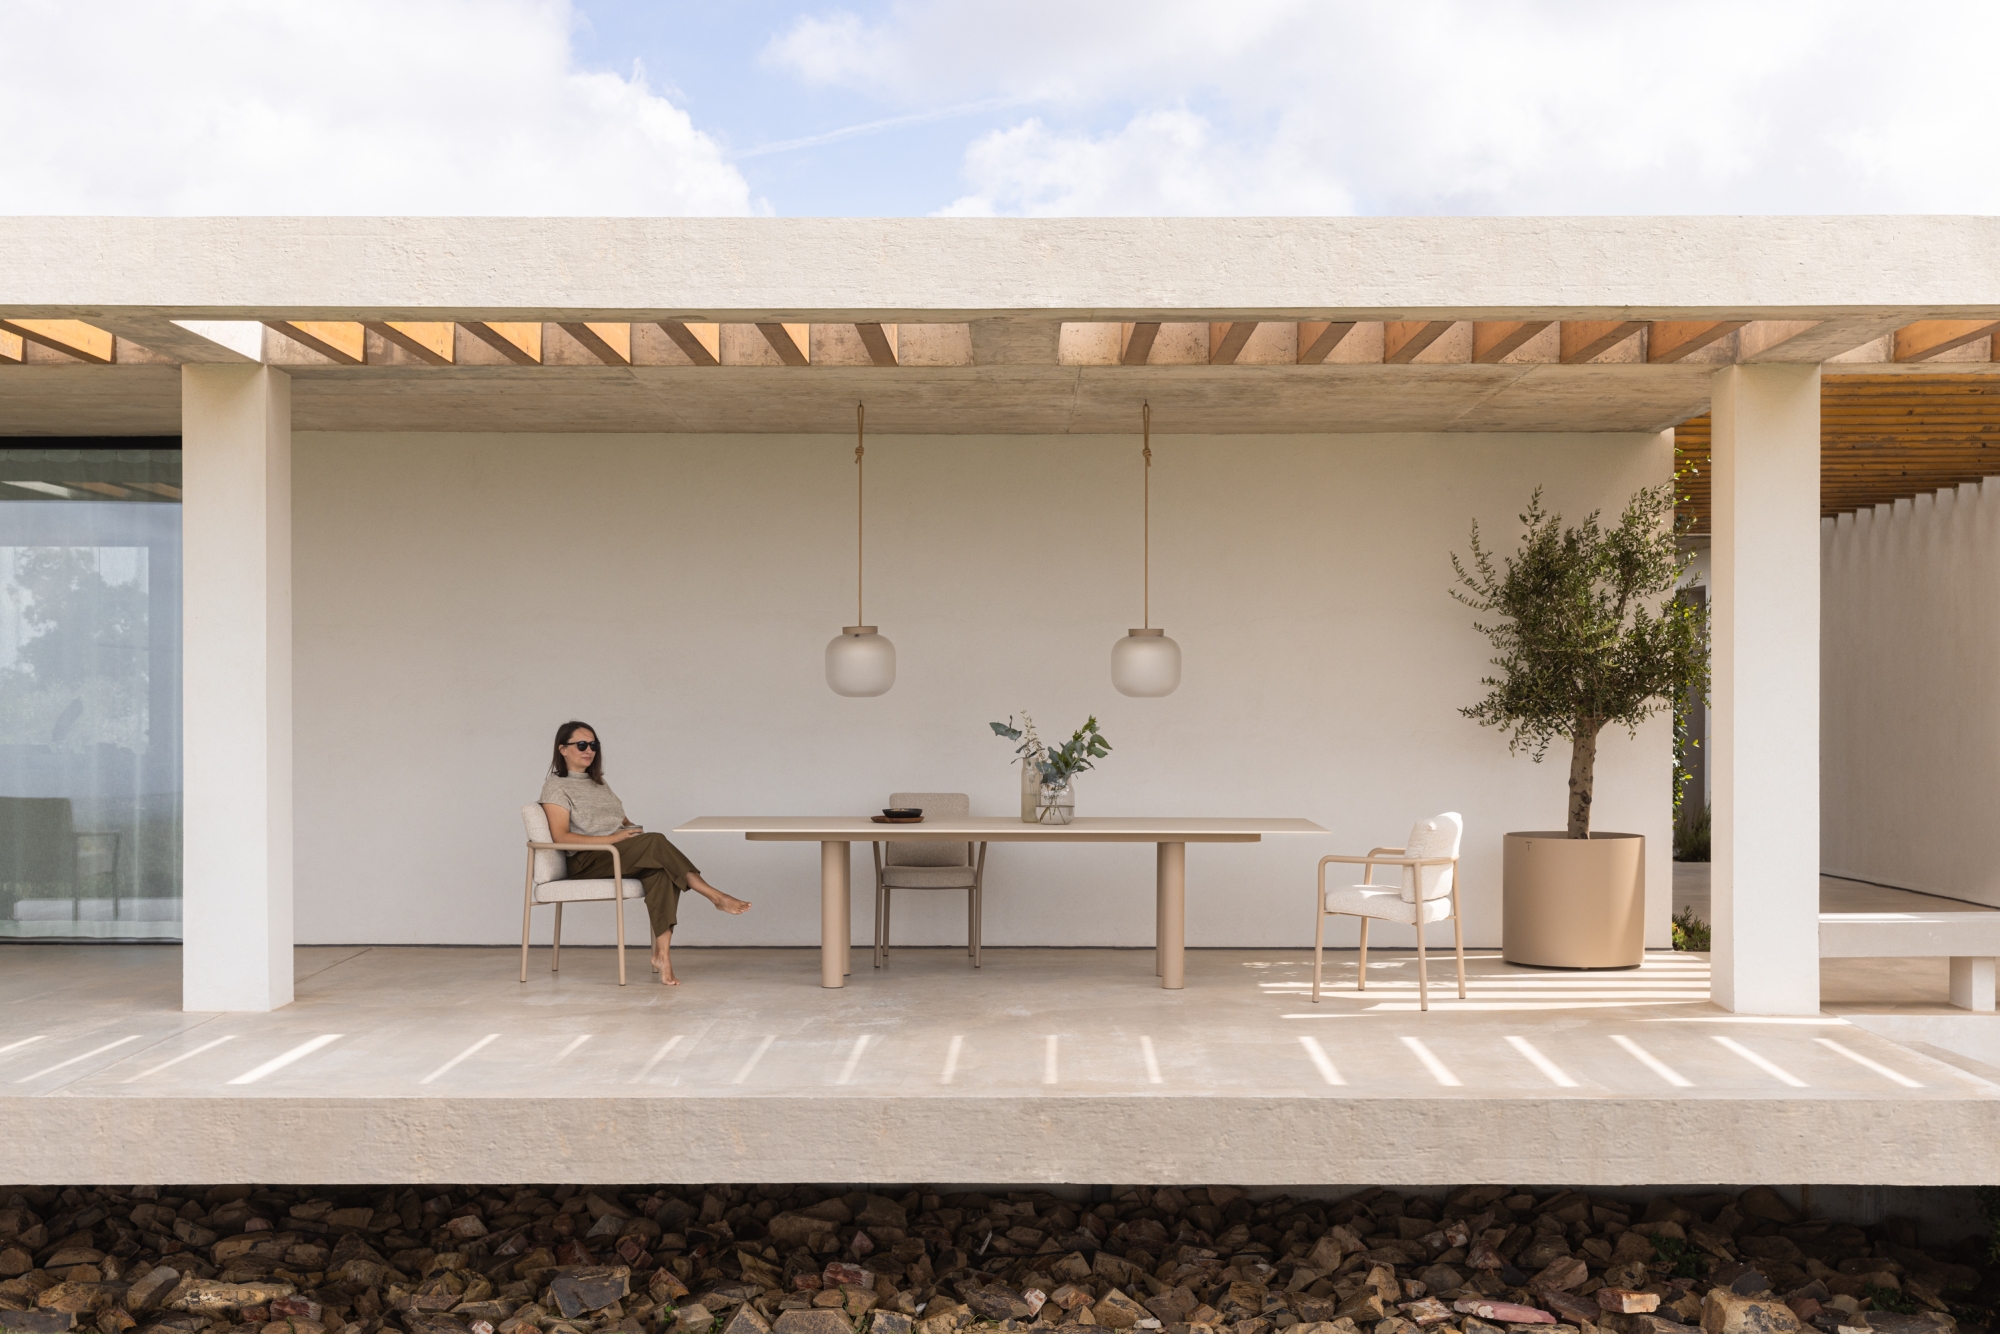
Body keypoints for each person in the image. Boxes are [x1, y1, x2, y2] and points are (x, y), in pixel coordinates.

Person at [538, 720, 749, 985]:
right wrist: (614, 838)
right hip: (587, 859)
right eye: (581, 745)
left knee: (661, 872)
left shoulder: (598, 783)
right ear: (563, 749)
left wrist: (630, 830)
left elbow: (619, 819)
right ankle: (715, 896)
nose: (589, 750)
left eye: (593, 744)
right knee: (656, 841)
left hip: (615, 853)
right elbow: (561, 837)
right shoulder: (556, 786)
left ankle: (662, 955)